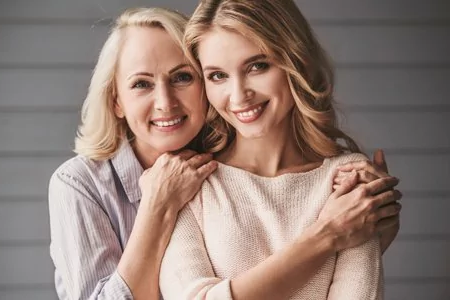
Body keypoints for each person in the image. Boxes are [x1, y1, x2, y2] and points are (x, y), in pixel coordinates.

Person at [48, 6, 400, 300]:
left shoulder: (202, 168)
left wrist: (372, 232)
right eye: (141, 83)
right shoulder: (88, 184)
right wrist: (327, 236)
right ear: (116, 102)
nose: (165, 102)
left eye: (183, 77)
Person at [159, 1, 401, 299]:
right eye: (217, 76)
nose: (239, 96)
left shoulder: (349, 178)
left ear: (295, 61)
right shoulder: (191, 181)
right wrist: (326, 235)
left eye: (257, 66)